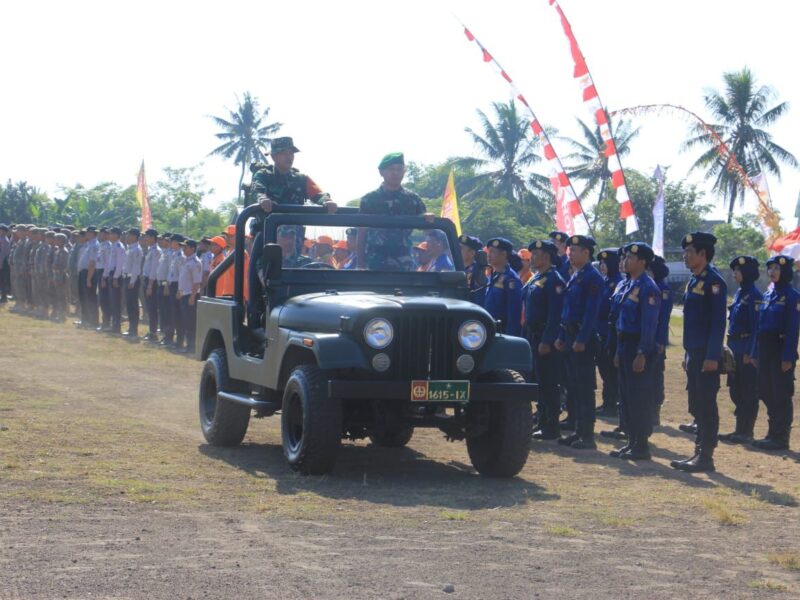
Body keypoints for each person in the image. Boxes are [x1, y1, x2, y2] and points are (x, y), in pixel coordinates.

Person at [250, 137, 336, 325]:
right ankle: (257, 318)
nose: (289, 157)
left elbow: (317, 193)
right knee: (262, 279)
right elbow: (257, 189)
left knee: (306, 278)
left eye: (291, 153)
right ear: (273, 156)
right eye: (283, 153)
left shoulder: (300, 179)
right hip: (268, 240)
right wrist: (262, 198)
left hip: (295, 243)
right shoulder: (264, 176)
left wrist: (326, 201)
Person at [670, 232, 726, 473]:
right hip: (694, 352)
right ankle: (698, 451)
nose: (685, 256)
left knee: (706, 404)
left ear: (703, 254)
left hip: (706, 354)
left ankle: (706, 455)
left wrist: (713, 356)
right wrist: (687, 353)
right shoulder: (695, 280)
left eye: (689, 253)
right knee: (696, 403)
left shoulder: (714, 282)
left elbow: (717, 324)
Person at [609, 242, 661, 460]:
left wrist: (642, 353)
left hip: (638, 345)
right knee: (626, 395)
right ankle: (631, 440)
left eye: (631, 257)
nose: (626, 260)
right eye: (625, 257)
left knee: (639, 396)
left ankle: (641, 445)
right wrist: (618, 351)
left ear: (642, 261)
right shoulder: (626, 284)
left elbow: (649, 325)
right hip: (624, 344)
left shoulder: (648, 287)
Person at [555, 234, 603, 449]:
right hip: (570, 335)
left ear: (586, 252)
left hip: (582, 338)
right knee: (573, 385)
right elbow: (567, 311)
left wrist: (582, 338)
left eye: (574, 251)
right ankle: (577, 429)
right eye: (569, 250)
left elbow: (591, 313)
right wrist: (562, 337)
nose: (570, 254)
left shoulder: (592, 277)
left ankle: (588, 435)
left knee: (584, 387)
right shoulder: (576, 275)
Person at [751, 255, 800, 451]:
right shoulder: (768, 295)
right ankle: (772, 432)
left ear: (786, 272)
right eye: (770, 268)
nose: (772, 272)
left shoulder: (792, 296)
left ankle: (781, 437)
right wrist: (754, 352)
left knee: (781, 392)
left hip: (780, 349)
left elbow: (793, 329)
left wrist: (788, 357)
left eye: (777, 269)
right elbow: (759, 326)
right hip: (765, 348)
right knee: (765, 389)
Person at [358, 152, 432, 270]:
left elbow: (428, 230)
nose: (395, 173)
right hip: (376, 262)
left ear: (404, 172)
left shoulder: (412, 199)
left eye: (399, 169)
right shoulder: (369, 200)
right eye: (391, 169)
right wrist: (360, 264)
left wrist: (427, 218)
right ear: (381, 172)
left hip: (404, 262)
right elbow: (361, 234)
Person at [525, 240, 566, 440]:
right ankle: (542, 421)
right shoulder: (537, 278)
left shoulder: (554, 280)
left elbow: (555, 315)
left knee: (549, 383)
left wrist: (547, 340)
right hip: (533, 335)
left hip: (544, 337)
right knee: (539, 382)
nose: (532, 258)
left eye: (536, 254)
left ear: (547, 257)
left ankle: (551, 425)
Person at [718, 256, 762, 444]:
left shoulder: (754, 295)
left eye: (738, 270)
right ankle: (738, 429)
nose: (735, 273)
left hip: (745, 347)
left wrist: (751, 353)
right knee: (735, 389)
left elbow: (756, 328)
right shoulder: (739, 293)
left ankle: (746, 431)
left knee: (747, 391)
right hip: (734, 346)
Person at [596, 248, 623, 416]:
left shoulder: (618, 282)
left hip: (609, 332)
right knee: (604, 370)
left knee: (611, 371)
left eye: (606, 262)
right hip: (600, 331)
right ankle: (608, 402)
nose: (602, 266)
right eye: (601, 262)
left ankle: (612, 403)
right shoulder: (604, 281)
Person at [649, 255, 672, 426]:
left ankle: (655, 411)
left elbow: (663, 319)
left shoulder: (663, 289)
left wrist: (660, 341)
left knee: (656, 376)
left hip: (656, 339)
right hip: (646, 337)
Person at [484, 237, 523, 337]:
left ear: (504, 254)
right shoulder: (493, 275)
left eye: (493, 252)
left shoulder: (511, 279)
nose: (489, 255)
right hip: (489, 329)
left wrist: (511, 337)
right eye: (489, 251)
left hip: (502, 332)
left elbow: (514, 313)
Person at [176, 238, 203, 354]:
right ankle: (186, 344)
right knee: (184, 320)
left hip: (190, 295)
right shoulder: (186, 260)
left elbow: (197, 282)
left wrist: (192, 296)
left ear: (192, 248)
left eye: (186, 247)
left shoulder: (195, 262)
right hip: (183, 294)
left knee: (190, 322)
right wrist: (179, 291)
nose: (183, 249)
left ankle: (191, 346)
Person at [163, 234, 186, 346]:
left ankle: (179, 340)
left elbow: (182, 275)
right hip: (172, 285)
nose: (170, 243)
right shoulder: (174, 255)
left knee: (177, 314)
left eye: (172, 241)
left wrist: (179, 290)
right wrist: (167, 284)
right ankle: (170, 336)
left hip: (177, 286)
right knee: (170, 312)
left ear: (178, 243)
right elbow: (170, 273)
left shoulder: (181, 257)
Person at [103, 227, 126, 334]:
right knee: (112, 301)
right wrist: (105, 276)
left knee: (116, 302)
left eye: (111, 234)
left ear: (117, 235)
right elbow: (109, 264)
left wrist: (116, 277)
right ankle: (114, 324)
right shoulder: (113, 246)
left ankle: (116, 326)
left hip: (116, 275)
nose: (109, 235)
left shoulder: (119, 247)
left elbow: (120, 265)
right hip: (111, 274)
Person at [142, 229, 161, 342]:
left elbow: (154, 270)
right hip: (147, 280)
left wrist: (149, 285)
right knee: (149, 307)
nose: (145, 239)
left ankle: (153, 332)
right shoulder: (150, 250)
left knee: (153, 308)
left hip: (152, 282)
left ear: (153, 238)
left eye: (147, 236)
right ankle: (151, 331)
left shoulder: (156, 251)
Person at [459, 235, 487, 307]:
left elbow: (479, 298)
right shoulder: (457, 268)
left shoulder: (478, 271)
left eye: (460, 248)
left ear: (472, 253)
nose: (457, 251)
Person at [50, 233, 70, 321]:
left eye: (57, 239)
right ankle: (58, 313)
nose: (55, 241)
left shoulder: (64, 252)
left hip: (61, 277)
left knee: (62, 296)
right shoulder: (58, 250)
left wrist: (60, 279)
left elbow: (64, 267)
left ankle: (62, 315)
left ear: (62, 241)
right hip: (56, 275)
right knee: (57, 295)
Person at [95, 227, 111, 329]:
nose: (100, 236)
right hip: (99, 271)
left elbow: (107, 263)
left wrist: (104, 277)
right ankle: (105, 321)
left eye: (101, 234)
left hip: (104, 273)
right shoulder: (102, 245)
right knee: (101, 298)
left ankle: (106, 321)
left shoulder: (108, 246)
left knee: (105, 299)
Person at [0, 224, 10, 303]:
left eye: (1, 230)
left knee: (3, 280)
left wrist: (1, 263)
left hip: (3, 262)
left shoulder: (4, 240)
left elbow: (3, 253)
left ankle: (4, 297)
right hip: (2, 262)